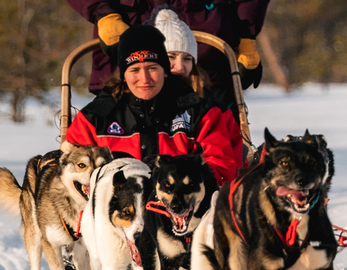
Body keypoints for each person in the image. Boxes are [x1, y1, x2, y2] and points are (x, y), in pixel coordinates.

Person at [65, 25, 242, 185]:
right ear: (123, 75)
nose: (145, 79)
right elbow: (73, 176)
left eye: (152, 68)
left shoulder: (201, 113)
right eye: (134, 70)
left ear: (165, 71)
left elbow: (221, 171)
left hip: (184, 210)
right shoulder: (95, 119)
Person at [60, 0, 271, 114]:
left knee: (215, 149)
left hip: (205, 62)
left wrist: (247, 37)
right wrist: (103, 13)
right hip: (127, 57)